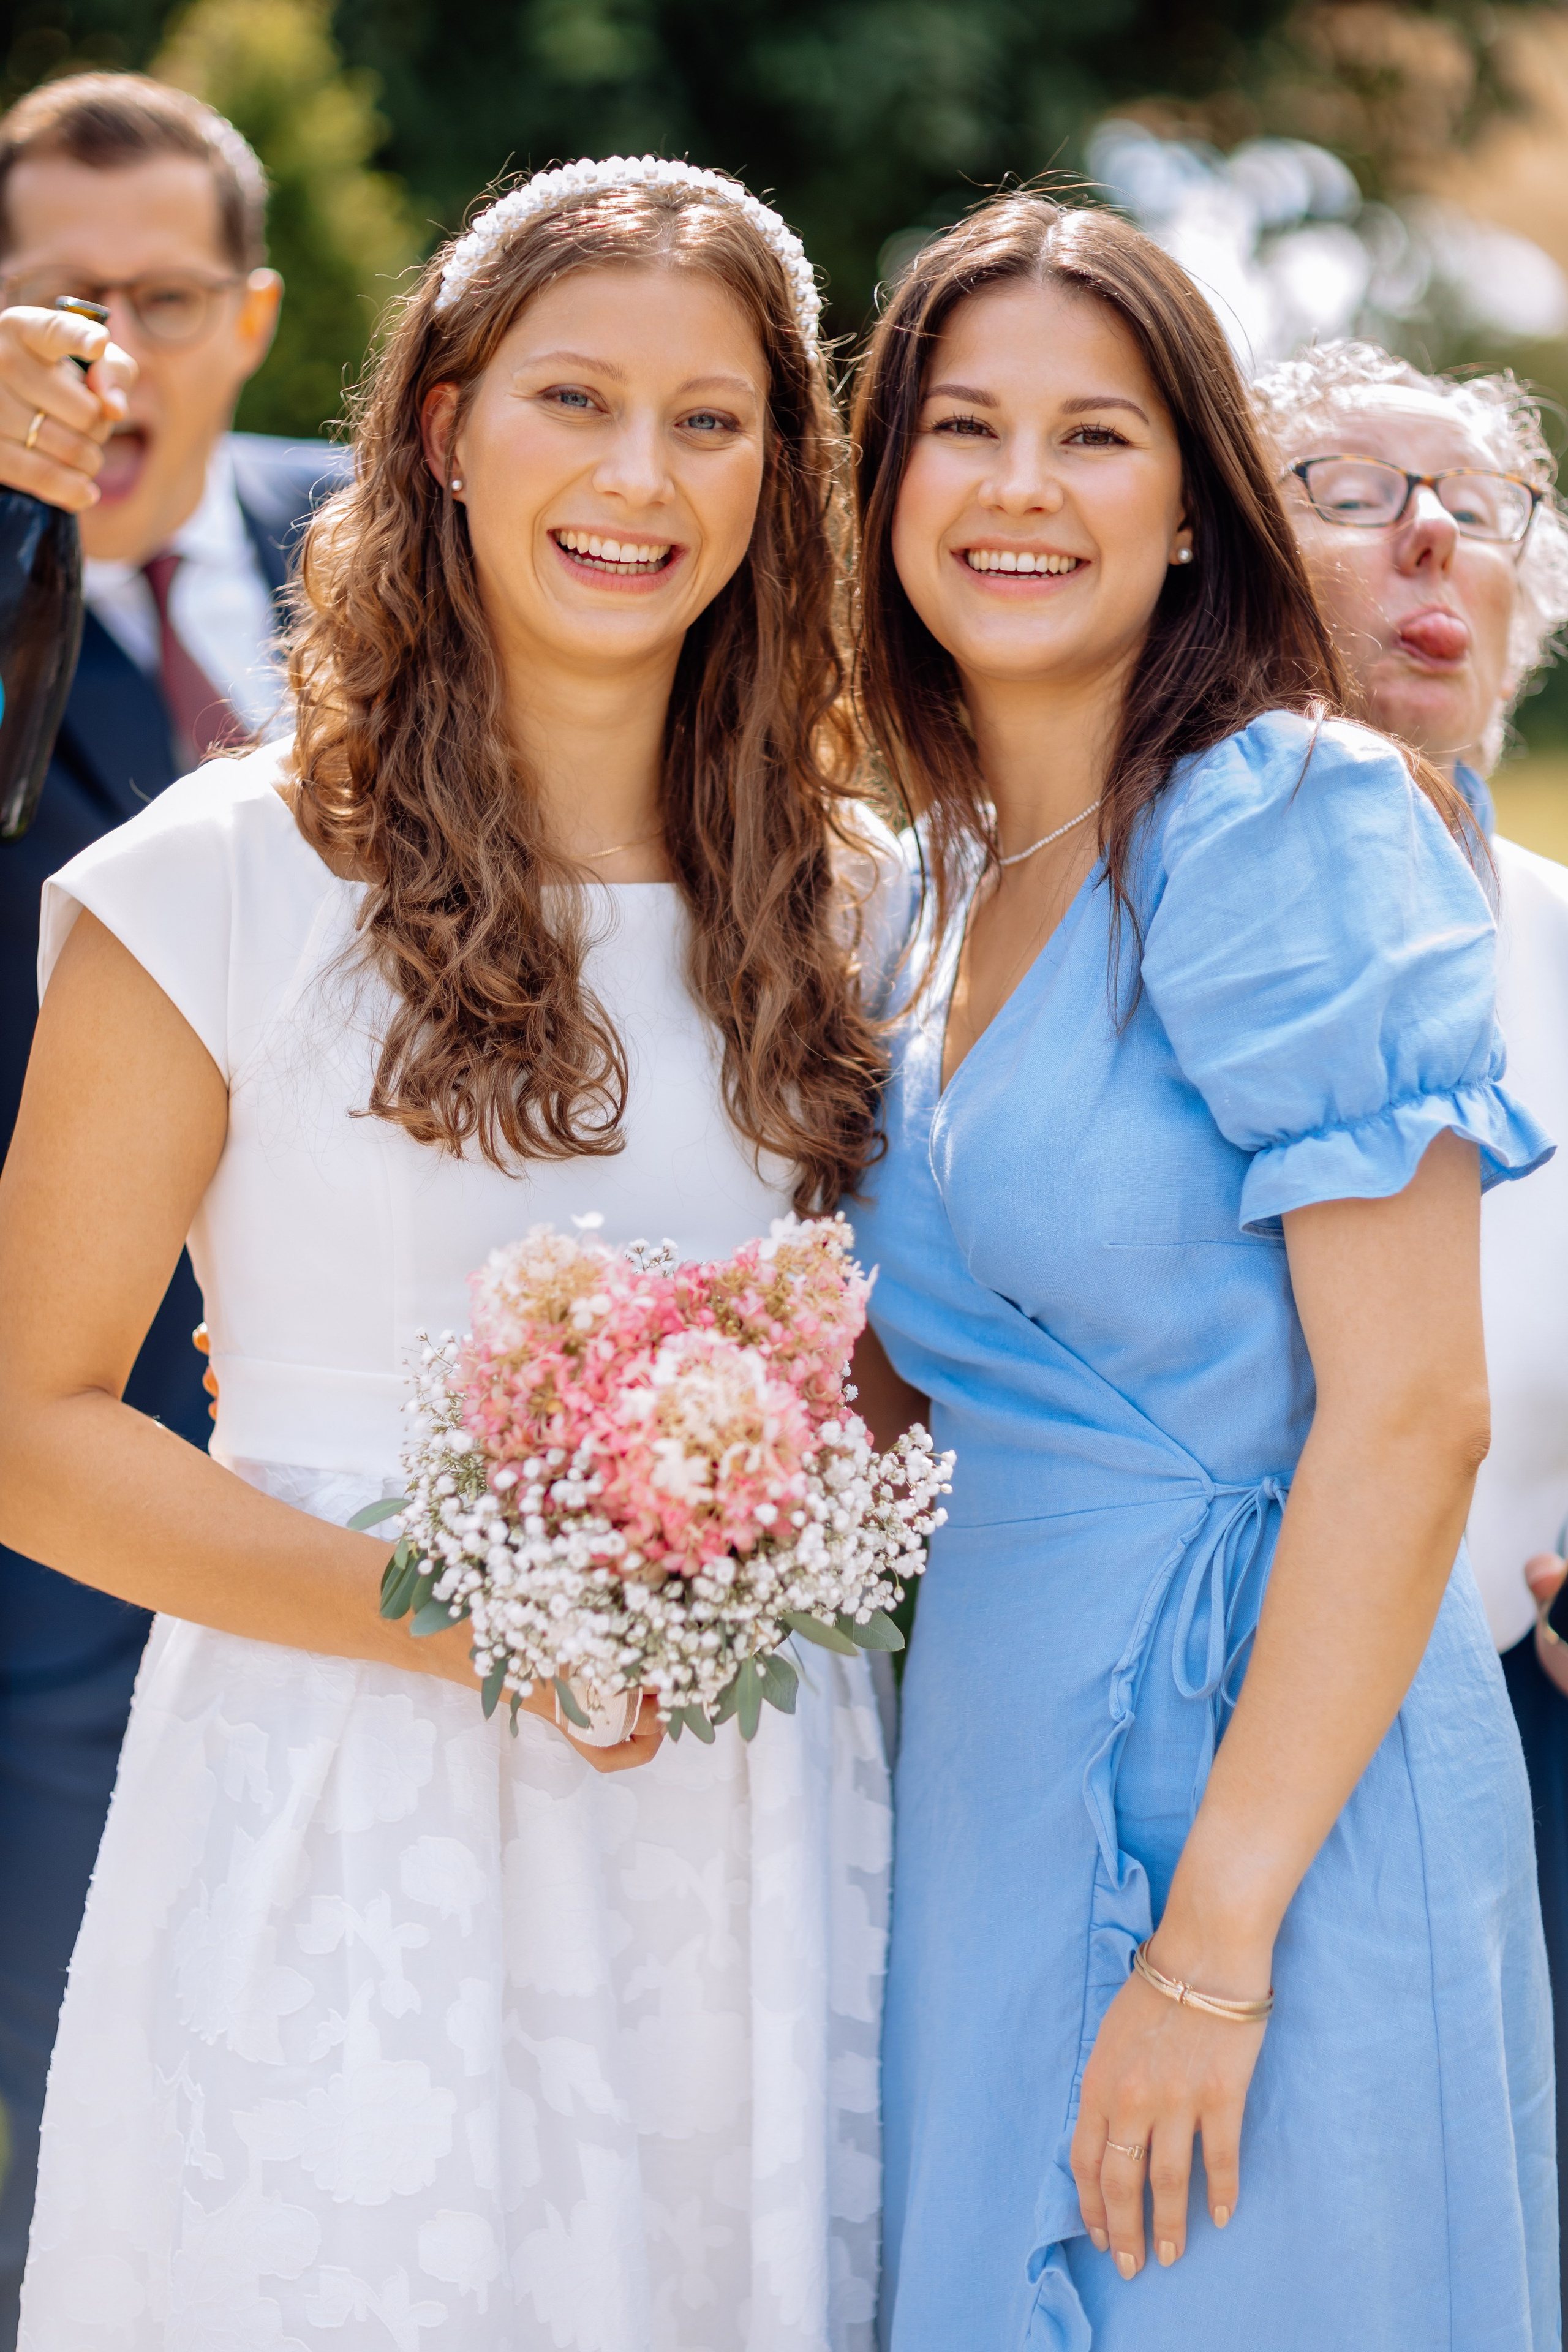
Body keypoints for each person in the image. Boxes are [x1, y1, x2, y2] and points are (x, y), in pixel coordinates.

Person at [0, 155, 897, 2347]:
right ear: (442, 422)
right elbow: (25, 1426)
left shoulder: (868, 900)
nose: (636, 474)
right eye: (572, 397)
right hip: (337, 1811)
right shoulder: (218, 873)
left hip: (759, 1822)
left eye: (711, 421)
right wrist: (472, 1632)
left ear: (784, 473)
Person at [844, 193, 1555, 2348]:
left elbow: (1417, 1411)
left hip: (1273, 1809)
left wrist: (1214, 1943)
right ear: (884, 492)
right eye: (965, 431)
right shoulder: (934, 893)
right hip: (991, 1771)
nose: (1024, 492)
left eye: (1101, 437)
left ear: (1192, 514)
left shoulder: (1285, 815)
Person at [0, 71, 347, 2343]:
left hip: (370, 1377)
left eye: (154, 297)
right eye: (51, 298)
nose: (109, 347)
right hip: (54, 1381)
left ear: (250, 312)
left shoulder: (381, 546)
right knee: (74, 1935)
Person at [1254, 334, 1568, 2310]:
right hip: (1212, 1744)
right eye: (1354, 495)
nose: (1433, 542)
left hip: (1527, 1742)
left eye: (1485, 510)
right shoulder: (1117, 907)